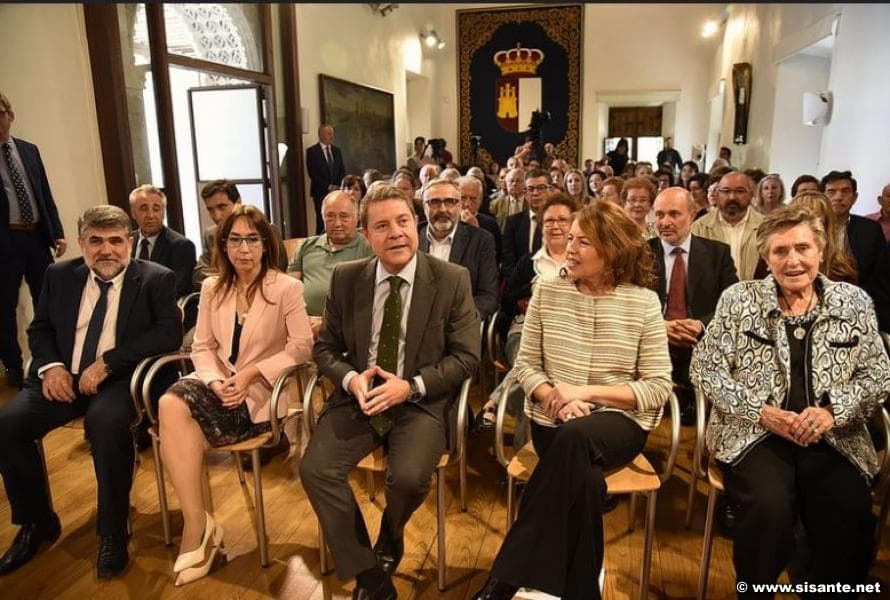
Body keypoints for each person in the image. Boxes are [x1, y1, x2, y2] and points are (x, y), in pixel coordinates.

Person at [472, 201, 672, 600]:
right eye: (571, 238)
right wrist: (555, 397)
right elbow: (526, 365)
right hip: (553, 421)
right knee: (585, 481)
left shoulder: (643, 302)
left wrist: (584, 393)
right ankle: (581, 591)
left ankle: (505, 579)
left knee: (577, 438)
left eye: (583, 242)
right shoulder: (547, 290)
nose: (570, 248)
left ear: (612, 249)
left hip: (618, 424)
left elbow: (657, 386)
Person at [690, 205, 890, 597]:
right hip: (754, 434)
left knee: (847, 508)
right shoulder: (739, 300)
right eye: (780, 251)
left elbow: (878, 375)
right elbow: (706, 369)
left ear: (821, 251)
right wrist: (762, 412)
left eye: (802, 248)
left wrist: (833, 413)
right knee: (768, 508)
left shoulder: (853, 302)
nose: (792, 260)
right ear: (766, 257)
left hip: (834, 436)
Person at [299, 183, 479, 600]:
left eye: (403, 221)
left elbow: (467, 357)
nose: (395, 233)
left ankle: (391, 536)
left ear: (416, 224)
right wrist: (350, 378)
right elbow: (325, 349)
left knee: (410, 478)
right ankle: (369, 573)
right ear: (366, 234)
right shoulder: (347, 278)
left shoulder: (452, 279)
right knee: (316, 470)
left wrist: (411, 386)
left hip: (420, 399)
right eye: (382, 226)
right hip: (361, 395)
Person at [0, 205, 181, 578]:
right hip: (65, 377)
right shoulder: (59, 275)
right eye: (96, 241)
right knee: (8, 424)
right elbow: (40, 329)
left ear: (129, 242)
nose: (106, 250)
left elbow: (168, 334)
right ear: (81, 243)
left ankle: (113, 531)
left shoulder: (155, 278)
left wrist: (108, 363)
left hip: (121, 379)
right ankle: (37, 522)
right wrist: (51, 367)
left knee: (105, 424)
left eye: (115, 240)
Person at [158, 205, 312, 585]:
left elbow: (301, 347)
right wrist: (213, 382)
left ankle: (201, 533)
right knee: (169, 402)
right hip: (217, 386)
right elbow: (201, 346)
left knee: (180, 427)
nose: (244, 249)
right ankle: (197, 524)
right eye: (235, 240)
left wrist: (250, 374)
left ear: (266, 244)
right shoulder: (213, 287)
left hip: (261, 394)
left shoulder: (287, 288)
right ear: (223, 245)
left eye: (252, 239)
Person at [477, 194, 577, 434]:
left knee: (531, 381)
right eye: (549, 221)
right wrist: (527, 297)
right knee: (530, 361)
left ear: (573, 224)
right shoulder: (527, 263)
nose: (556, 226)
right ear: (542, 225)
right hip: (524, 329)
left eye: (562, 220)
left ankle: (495, 401)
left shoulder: (583, 263)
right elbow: (506, 302)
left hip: (568, 336)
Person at [649, 187, 737, 425]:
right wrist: (660, 327)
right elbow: (628, 305)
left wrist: (701, 325)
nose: (665, 222)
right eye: (659, 215)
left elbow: (732, 304)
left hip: (701, 340)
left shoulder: (718, 253)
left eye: (674, 214)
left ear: (692, 215)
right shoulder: (641, 254)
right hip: (653, 341)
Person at [0, 92, 67, 388]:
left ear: (10, 115)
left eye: (0, 113)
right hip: (6, 241)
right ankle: (13, 366)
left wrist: (57, 232)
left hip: (37, 236)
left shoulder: (28, 150)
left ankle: (52, 359)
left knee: (49, 301)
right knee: (5, 307)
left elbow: (44, 194)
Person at [288, 190, 373, 336]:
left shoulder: (368, 248)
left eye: (344, 216)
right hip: (303, 325)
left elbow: (368, 302)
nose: (337, 223)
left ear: (357, 217)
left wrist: (327, 323)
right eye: (330, 216)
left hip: (346, 328)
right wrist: (300, 320)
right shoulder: (306, 246)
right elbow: (289, 291)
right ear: (323, 217)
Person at [419, 178, 499, 322]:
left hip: (460, 325)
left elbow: (488, 297)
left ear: (460, 205)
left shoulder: (481, 240)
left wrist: (457, 321)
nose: (443, 209)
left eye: (451, 202)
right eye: (434, 202)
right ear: (424, 206)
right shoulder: (412, 238)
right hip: (417, 322)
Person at [822, 170, 890, 332]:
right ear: (822, 197)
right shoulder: (809, 229)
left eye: (845, 191)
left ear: (855, 197)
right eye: (831, 192)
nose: (839, 197)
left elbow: (880, 277)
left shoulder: (870, 229)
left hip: (860, 307)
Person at [193, 180, 288, 288]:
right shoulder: (211, 234)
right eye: (210, 210)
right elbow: (199, 274)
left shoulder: (266, 230)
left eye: (222, 207)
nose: (217, 216)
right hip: (223, 289)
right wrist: (228, 277)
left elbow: (278, 268)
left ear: (238, 202)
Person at [691, 171, 765, 280]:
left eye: (740, 191)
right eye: (726, 191)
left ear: (751, 194)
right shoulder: (699, 228)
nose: (732, 197)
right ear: (717, 194)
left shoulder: (765, 227)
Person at [129, 184, 196, 300]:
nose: (150, 215)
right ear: (133, 213)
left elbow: (178, 289)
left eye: (156, 209)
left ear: (163, 212)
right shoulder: (126, 241)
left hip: (161, 305)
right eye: (144, 209)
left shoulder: (181, 245)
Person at [788, 191, 858, 283]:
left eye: (817, 217)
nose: (810, 224)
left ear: (827, 224)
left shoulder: (842, 267)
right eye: (804, 217)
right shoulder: (777, 262)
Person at [501, 169, 550, 280]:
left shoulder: (561, 222)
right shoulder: (512, 223)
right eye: (530, 189)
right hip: (520, 285)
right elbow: (508, 263)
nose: (535, 193)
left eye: (541, 188)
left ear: (550, 190)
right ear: (525, 193)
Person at [306, 123, 346, 234]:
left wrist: (337, 186)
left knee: (336, 218)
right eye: (329, 134)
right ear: (321, 135)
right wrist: (329, 187)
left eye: (332, 134)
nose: (332, 136)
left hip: (336, 192)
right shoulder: (312, 152)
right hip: (320, 192)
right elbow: (313, 173)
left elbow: (342, 170)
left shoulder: (337, 151)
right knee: (322, 220)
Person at [458, 174, 502, 261]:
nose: (467, 204)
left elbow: (493, 259)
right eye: (463, 198)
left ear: (480, 200)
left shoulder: (490, 224)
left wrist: (476, 231)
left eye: (473, 198)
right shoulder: (447, 222)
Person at [490, 167, 526, 231]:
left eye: (518, 181)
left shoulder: (532, 203)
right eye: (511, 181)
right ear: (506, 184)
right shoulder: (495, 204)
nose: (514, 184)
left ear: (525, 183)